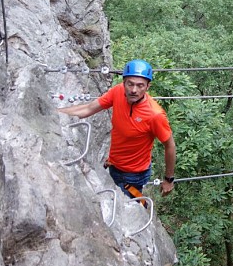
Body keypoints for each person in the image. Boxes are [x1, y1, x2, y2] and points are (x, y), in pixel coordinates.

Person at [59, 59, 176, 198]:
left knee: (130, 206)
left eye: (140, 86)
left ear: (147, 87)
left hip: (134, 176)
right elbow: (88, 108)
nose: (134, 90)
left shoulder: (154, 115)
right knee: (114, 200)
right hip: (113, 165)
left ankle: (140, 207)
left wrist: (168, 179)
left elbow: (170, 146)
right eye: (130, 84)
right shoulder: (118, 92)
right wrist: (54, 113)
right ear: (123, 82)